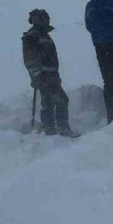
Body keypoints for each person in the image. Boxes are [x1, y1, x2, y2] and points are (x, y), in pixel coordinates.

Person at [21, 9, 79, 138]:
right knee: (61, 100)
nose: (47, 20)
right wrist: (36, 75)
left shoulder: (43, 35)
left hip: (51, 75)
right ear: (38, 20)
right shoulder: (32, 36)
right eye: (45, 18)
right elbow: (29, 58)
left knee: (48, 102)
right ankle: (62, 129)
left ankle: (50, 130)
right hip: (44, 76)